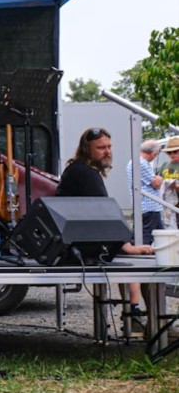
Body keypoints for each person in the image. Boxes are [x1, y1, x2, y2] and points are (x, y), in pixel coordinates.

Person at [57, 126, 155, 321]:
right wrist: (127, 245)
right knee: (149, 267)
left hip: (77, 243)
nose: (107, 151)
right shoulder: (85, 173)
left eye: (109, 146)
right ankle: (143, 318)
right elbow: (105, 211)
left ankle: (134, 313)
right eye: (101, 148)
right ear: (87, 149)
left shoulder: (78, 169)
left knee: (134, 257)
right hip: (82, 248)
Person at [126, 139, 164, 243]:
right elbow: (156, 184)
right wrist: (160, 179)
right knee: (147, 238)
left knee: (161, 236)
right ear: (154, 153)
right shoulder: (142, 163)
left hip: (142, 207)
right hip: (149, 207)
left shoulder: (133, 161)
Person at [157, 135, 179, 228]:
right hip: (168, 206)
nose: (172, 154)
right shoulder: (165, 165)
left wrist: (175, 186)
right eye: (169, 152)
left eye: (175, 152)